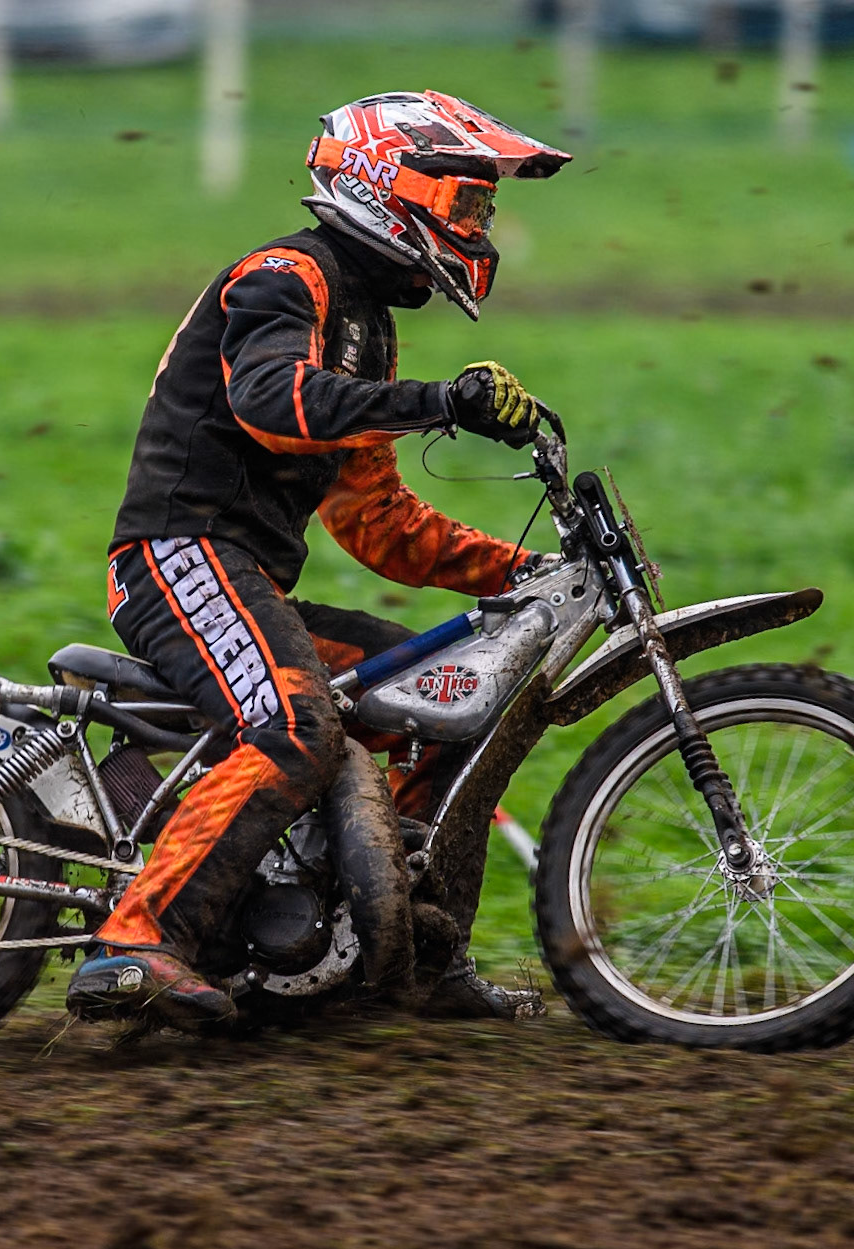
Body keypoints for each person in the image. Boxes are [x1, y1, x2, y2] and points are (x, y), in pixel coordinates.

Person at [67, 91, 571, 1028]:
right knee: (296, 723)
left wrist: (522, 570)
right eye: (467, 205)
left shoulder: (367, 326)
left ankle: (417, 949)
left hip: (247, 577)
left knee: (444, 700)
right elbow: (271, 400)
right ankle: (133, 938)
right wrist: (438, 404)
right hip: (178, 557)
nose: (479, 227)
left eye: (482, 212)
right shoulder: (283, 277)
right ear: (391, 186)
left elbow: (375, 521)